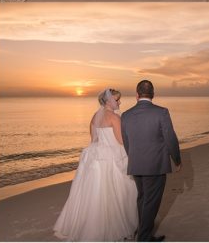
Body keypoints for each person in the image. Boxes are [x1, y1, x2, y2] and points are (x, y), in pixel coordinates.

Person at [53, 88, 138, 242]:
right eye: (117, 100)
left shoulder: (95, 116)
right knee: (116, 190)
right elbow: (121, 141)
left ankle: (88, 227)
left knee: (96, 192)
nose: (119, 102)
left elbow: (94, 140)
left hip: (96, 157)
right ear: (109, 101)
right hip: (111, 157)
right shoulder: (114, 117)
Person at [120, 80, 181, 243]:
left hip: (136, 164)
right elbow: (170, 139)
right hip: (155, 165)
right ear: (153, 94)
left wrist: (134, 158)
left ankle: (143, 233)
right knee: (151, 202)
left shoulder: (126, 115)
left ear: (137, 94)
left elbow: (126, 142)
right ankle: (144, 238)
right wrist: (177, 159)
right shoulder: (161, 112)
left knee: (142, 199)